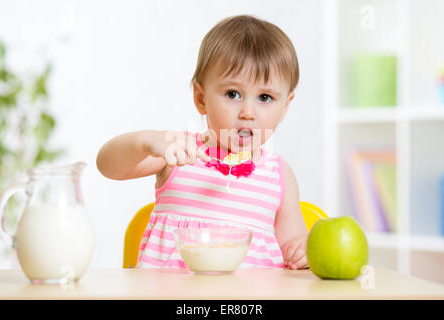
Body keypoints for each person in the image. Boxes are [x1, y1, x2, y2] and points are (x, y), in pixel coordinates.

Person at [97, 14, 308, 270]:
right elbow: (107, 166)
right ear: (201, 98)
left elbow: (293, 246)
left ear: (285, 107)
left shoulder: (279, 175)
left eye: (265, 97)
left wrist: (302, 249)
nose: (248, 112)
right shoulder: (177, 150)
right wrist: (146, 141)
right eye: (233, 94)